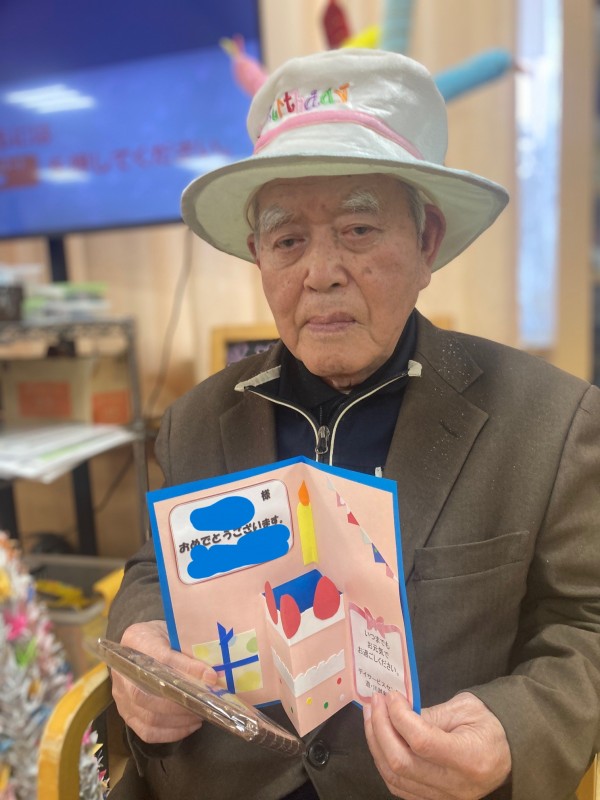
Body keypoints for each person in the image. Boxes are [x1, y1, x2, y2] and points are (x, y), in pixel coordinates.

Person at [106, 49, 600, 800]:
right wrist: (141, 640)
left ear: (427, 242)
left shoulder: (548, 423)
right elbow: (153, 569)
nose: (321, 272)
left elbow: (586, 623)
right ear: (259, 257)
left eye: (359, 229)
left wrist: (512, 727)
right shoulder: (195, 420)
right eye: (287, 241)